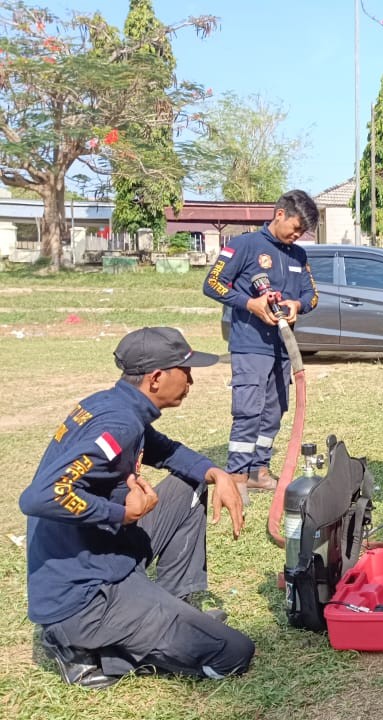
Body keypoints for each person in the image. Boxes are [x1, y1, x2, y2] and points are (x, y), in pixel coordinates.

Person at [20, 327, 251, 688]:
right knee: (233, 652)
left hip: (103, 554)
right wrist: (121, 514)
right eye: (185, 371)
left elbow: (166, 451)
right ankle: (84, 652)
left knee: (189, 484)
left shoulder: (119, 404)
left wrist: (216, 472)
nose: (190, 380)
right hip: (84, 597)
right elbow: (41, 496)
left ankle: (176, 606)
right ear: (157, 378)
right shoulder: (118, 422)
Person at [203, 190, 319, 499]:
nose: (297, 235)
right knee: (248, 411)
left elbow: (312, 294)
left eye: (302, 232)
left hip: (283, 347)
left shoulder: (299, 255)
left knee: (274, 410)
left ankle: (259, 471)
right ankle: (237, 478)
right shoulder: (244, 246)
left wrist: (298, 305)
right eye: (295, 228)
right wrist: (249, 303)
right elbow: (211, 283)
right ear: (279, 214)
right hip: (250, 345)